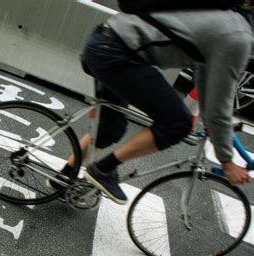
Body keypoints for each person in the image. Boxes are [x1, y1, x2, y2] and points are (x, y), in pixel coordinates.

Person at [52, 2, 253, 205]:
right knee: (178, 124)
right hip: (117, 54)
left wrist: (211, 124)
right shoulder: (238, 37)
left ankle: (63, 176)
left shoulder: (225, 14)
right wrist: (227, 162)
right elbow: (220, 105)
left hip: (106, 40)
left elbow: (205, 81)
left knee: (110, 128)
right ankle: (103, 170)